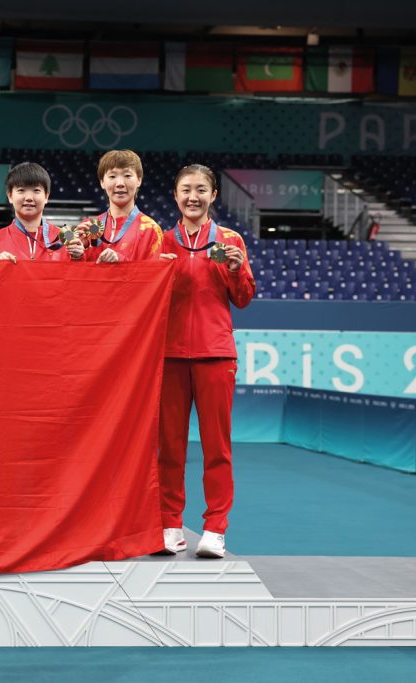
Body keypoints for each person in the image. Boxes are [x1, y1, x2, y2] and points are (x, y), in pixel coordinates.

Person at [157, 164, 255, 560]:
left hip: (216, 355)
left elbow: (244, 298)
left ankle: (215, 529)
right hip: (169, 355)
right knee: (169, 447)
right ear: (176, 195)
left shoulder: (230, 241)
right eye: (186, 189)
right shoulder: (161, 241)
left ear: (214, 195)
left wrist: (234, 269)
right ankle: (169, 524)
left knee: (218, 447)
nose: (193, 196)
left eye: (201, 189)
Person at [0, 162, 84, 262]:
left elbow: (78, 279)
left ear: (46, 196)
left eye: (36, 190)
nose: (28, 198)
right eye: (21, 190)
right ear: (10, 196)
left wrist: (78, 258)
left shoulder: (66, 239)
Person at [75, 150, 164, 263]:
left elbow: (154, 277)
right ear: (102, 182)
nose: (120, 183)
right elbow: (76, 276)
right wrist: (76, 256)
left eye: (127, 175)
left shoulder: (150, 230)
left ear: (139, 180)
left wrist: (121, 262)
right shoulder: (88, 228)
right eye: (112, 176)